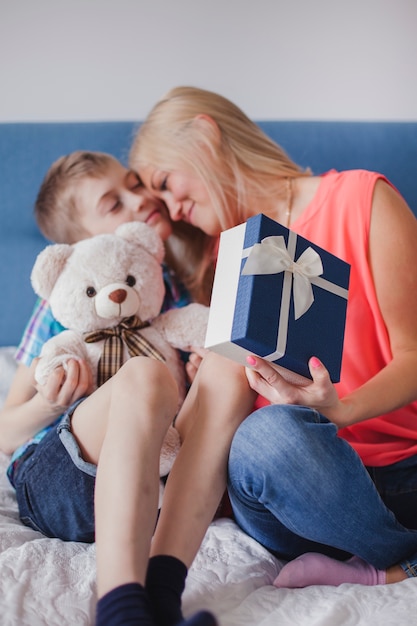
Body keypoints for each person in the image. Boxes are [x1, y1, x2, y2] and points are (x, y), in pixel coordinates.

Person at [130, 85, 417, 590]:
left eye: (167, 182)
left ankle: (393, 562)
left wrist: (341, 409)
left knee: (271, 441)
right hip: (289, 494)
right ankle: (389, 559)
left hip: (396, 475)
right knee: (264, 442)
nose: (174, 209)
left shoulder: (361, 199)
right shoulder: (227, 260)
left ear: (205, 134)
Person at [0, 150, 256, 626]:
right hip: (61, 478)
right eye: (113, 203)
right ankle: (118, 610)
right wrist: (49, 402)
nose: (139, 200)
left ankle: (160, 596)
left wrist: (198, 373)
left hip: (151, 484)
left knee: (231, 360)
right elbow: (4, 432)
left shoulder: (170, 291)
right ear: (79, 244)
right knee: (144, 374)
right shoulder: (63, 304)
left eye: (134, 184)